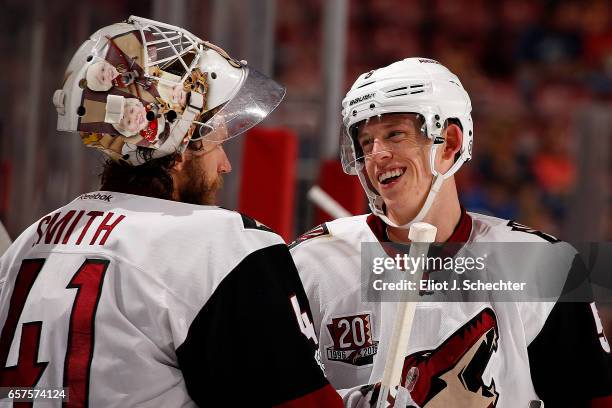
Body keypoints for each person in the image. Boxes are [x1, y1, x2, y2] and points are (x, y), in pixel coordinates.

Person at [0, 16, 341, 407]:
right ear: (176, 147)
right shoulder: (222, 245)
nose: (225, 164)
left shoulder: (32, 237)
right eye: (214, 140)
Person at [290, 58, 612, 407]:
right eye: (366, 143)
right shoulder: (313, 263)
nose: (377, 155)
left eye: (394, 134)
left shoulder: (542, 265)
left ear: (450, 142)